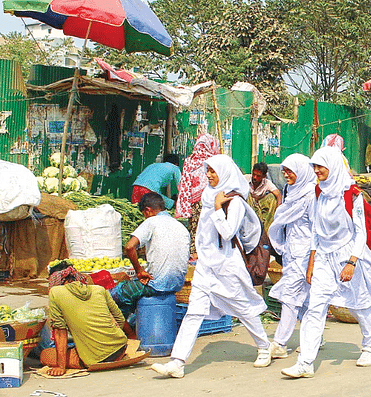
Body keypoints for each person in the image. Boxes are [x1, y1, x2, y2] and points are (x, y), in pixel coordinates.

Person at [151, 155, 273, 378]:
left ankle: (264, 347)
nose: (208, 175)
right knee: (194, 313)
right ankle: (177, 362)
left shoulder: (234, 201)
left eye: (213, 171)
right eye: (208, 170)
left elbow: (227, 233)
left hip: (227, 266)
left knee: (244, 308)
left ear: (224, 173)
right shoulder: (208, 196)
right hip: (206, 266)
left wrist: (218, 208)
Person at [281, 147, 371, 378]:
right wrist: (312, 261)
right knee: (315, 308)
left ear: (333, 166)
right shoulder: (318, 193)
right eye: (314, 166)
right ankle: (305, 363)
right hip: (323, 257)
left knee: (360, 303)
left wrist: (351, 262)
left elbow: (360, 233)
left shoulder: (352, 195)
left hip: (349, 255)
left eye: (321, 166)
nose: (316, 171)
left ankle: (370, 347)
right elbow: (316, 232)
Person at [41, 261, 134, 376]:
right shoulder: (98, 289)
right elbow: (120, 319)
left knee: (45, 355)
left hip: (95, 359)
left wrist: (61, 367)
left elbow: (60, 331)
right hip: (120, 348)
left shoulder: (56, 293)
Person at [267, 154, 316, 359]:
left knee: (290, 297)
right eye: (284, 170)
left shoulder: (311, 195)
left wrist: (312, 262)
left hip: (304, 255)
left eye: (290, 170)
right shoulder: (291, 191)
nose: (285, 174)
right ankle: (315, 336)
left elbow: (316, 230)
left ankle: (279, 342)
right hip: (291, 252)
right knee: (303, 299)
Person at [110, 193, 190, 317]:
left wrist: (139, 270)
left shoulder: (152, 221)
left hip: (156, 286)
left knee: (115, 294)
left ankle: (125, 331)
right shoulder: (181, 226)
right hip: (177, 285)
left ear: (148, 210)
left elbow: (129, 247)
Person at [175, 134, 220, 257]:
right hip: (213, 200)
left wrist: (185, 204)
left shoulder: (190, 160)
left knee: (195, 226)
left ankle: (194, 252)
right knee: (210, 227)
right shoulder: (215, 160)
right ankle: (209, 251)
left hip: (194, 201)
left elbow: (185, 183)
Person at [246, 162, 282, 237]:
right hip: (248, 207)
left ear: (264, 176)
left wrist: (278, 212)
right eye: (254, 174)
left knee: (272, 197)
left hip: (261, 206)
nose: (255, 177)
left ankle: (266, 233)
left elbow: (278, 195)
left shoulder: (267, 183)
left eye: (258, 176)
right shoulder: (245, 179)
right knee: (247, 194)